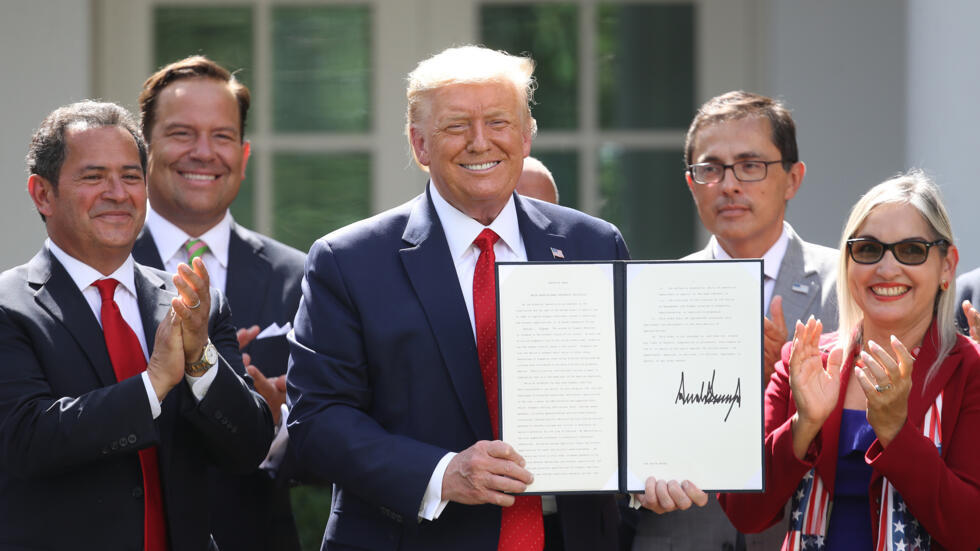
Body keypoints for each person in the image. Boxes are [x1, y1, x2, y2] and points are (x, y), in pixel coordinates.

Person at [286, 45, 651, 551]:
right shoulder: (347, 261)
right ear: (419, 145)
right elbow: (317, 422)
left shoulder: (594, 244)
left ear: (525, 137)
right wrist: (443, 473)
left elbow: (633, 393)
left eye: (499, 122)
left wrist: (659, 467)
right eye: (456, 126)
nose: (481, 142)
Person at [0, 100, 274, 549]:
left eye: (131, 176)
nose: (118, 193)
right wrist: (152, 386)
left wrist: (200, 362)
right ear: (42, 194)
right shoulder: (10, 308)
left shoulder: (192, 302)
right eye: (94, 177)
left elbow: (247, 448)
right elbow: (26, 441)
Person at [719, 170, 980, 549]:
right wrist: (803, 424)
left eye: (911, 250)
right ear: (848, 262)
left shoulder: (970, 370)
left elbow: (971, 531)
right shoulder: (803, 361)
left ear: (946, 266)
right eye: (868, 249)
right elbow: (744, 512)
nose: (887, 268)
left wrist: (895, 433)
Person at [632, 90, 839, 551]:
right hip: (681, 532)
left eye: (750, 166)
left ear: (792, 178)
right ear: (691, 182)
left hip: (802, 533)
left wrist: (782, 382)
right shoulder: (655, 294)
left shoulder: (845, 285)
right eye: (710, 168)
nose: (729, 185)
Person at [131, 55, 305, 551]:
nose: (204, 152)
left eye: (222, 136)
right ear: (146, 150)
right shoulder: (105, 274)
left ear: (244, 156)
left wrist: (274, 425)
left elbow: (334, 426)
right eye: (182, 133)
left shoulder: (303, 277)